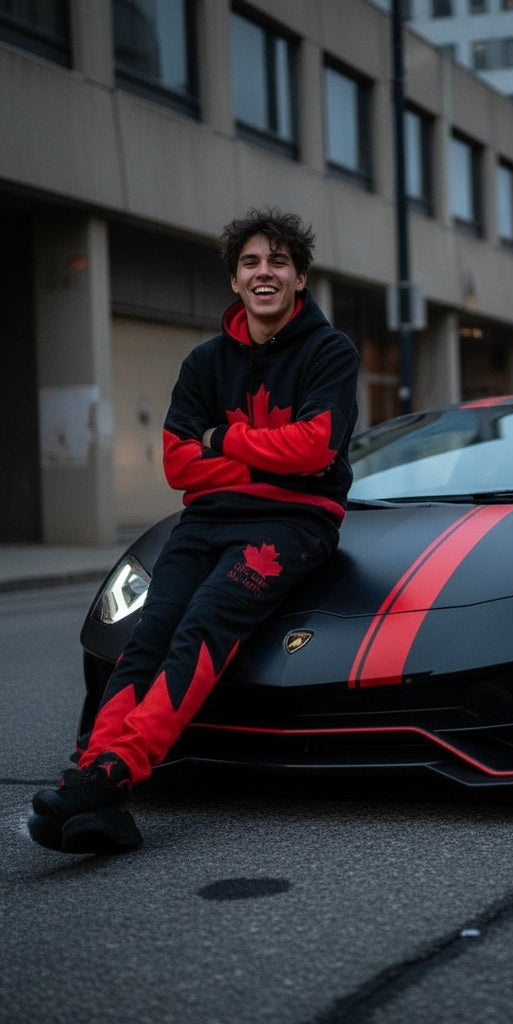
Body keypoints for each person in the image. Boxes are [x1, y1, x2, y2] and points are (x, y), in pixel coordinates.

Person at [29, 208, 361, 853]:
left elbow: (316, 448)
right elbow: (179, 462)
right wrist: (262, 453)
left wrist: (224, 441)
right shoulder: (205, 362)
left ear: (299, 278)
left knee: (204, 626)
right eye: (251, 263)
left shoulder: (330, 351)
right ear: (235, 280)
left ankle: (117, 769)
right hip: (205, 521)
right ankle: (96, 782)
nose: (264, 273)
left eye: (278, 262)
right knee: (146, 637)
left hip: (295, 523)